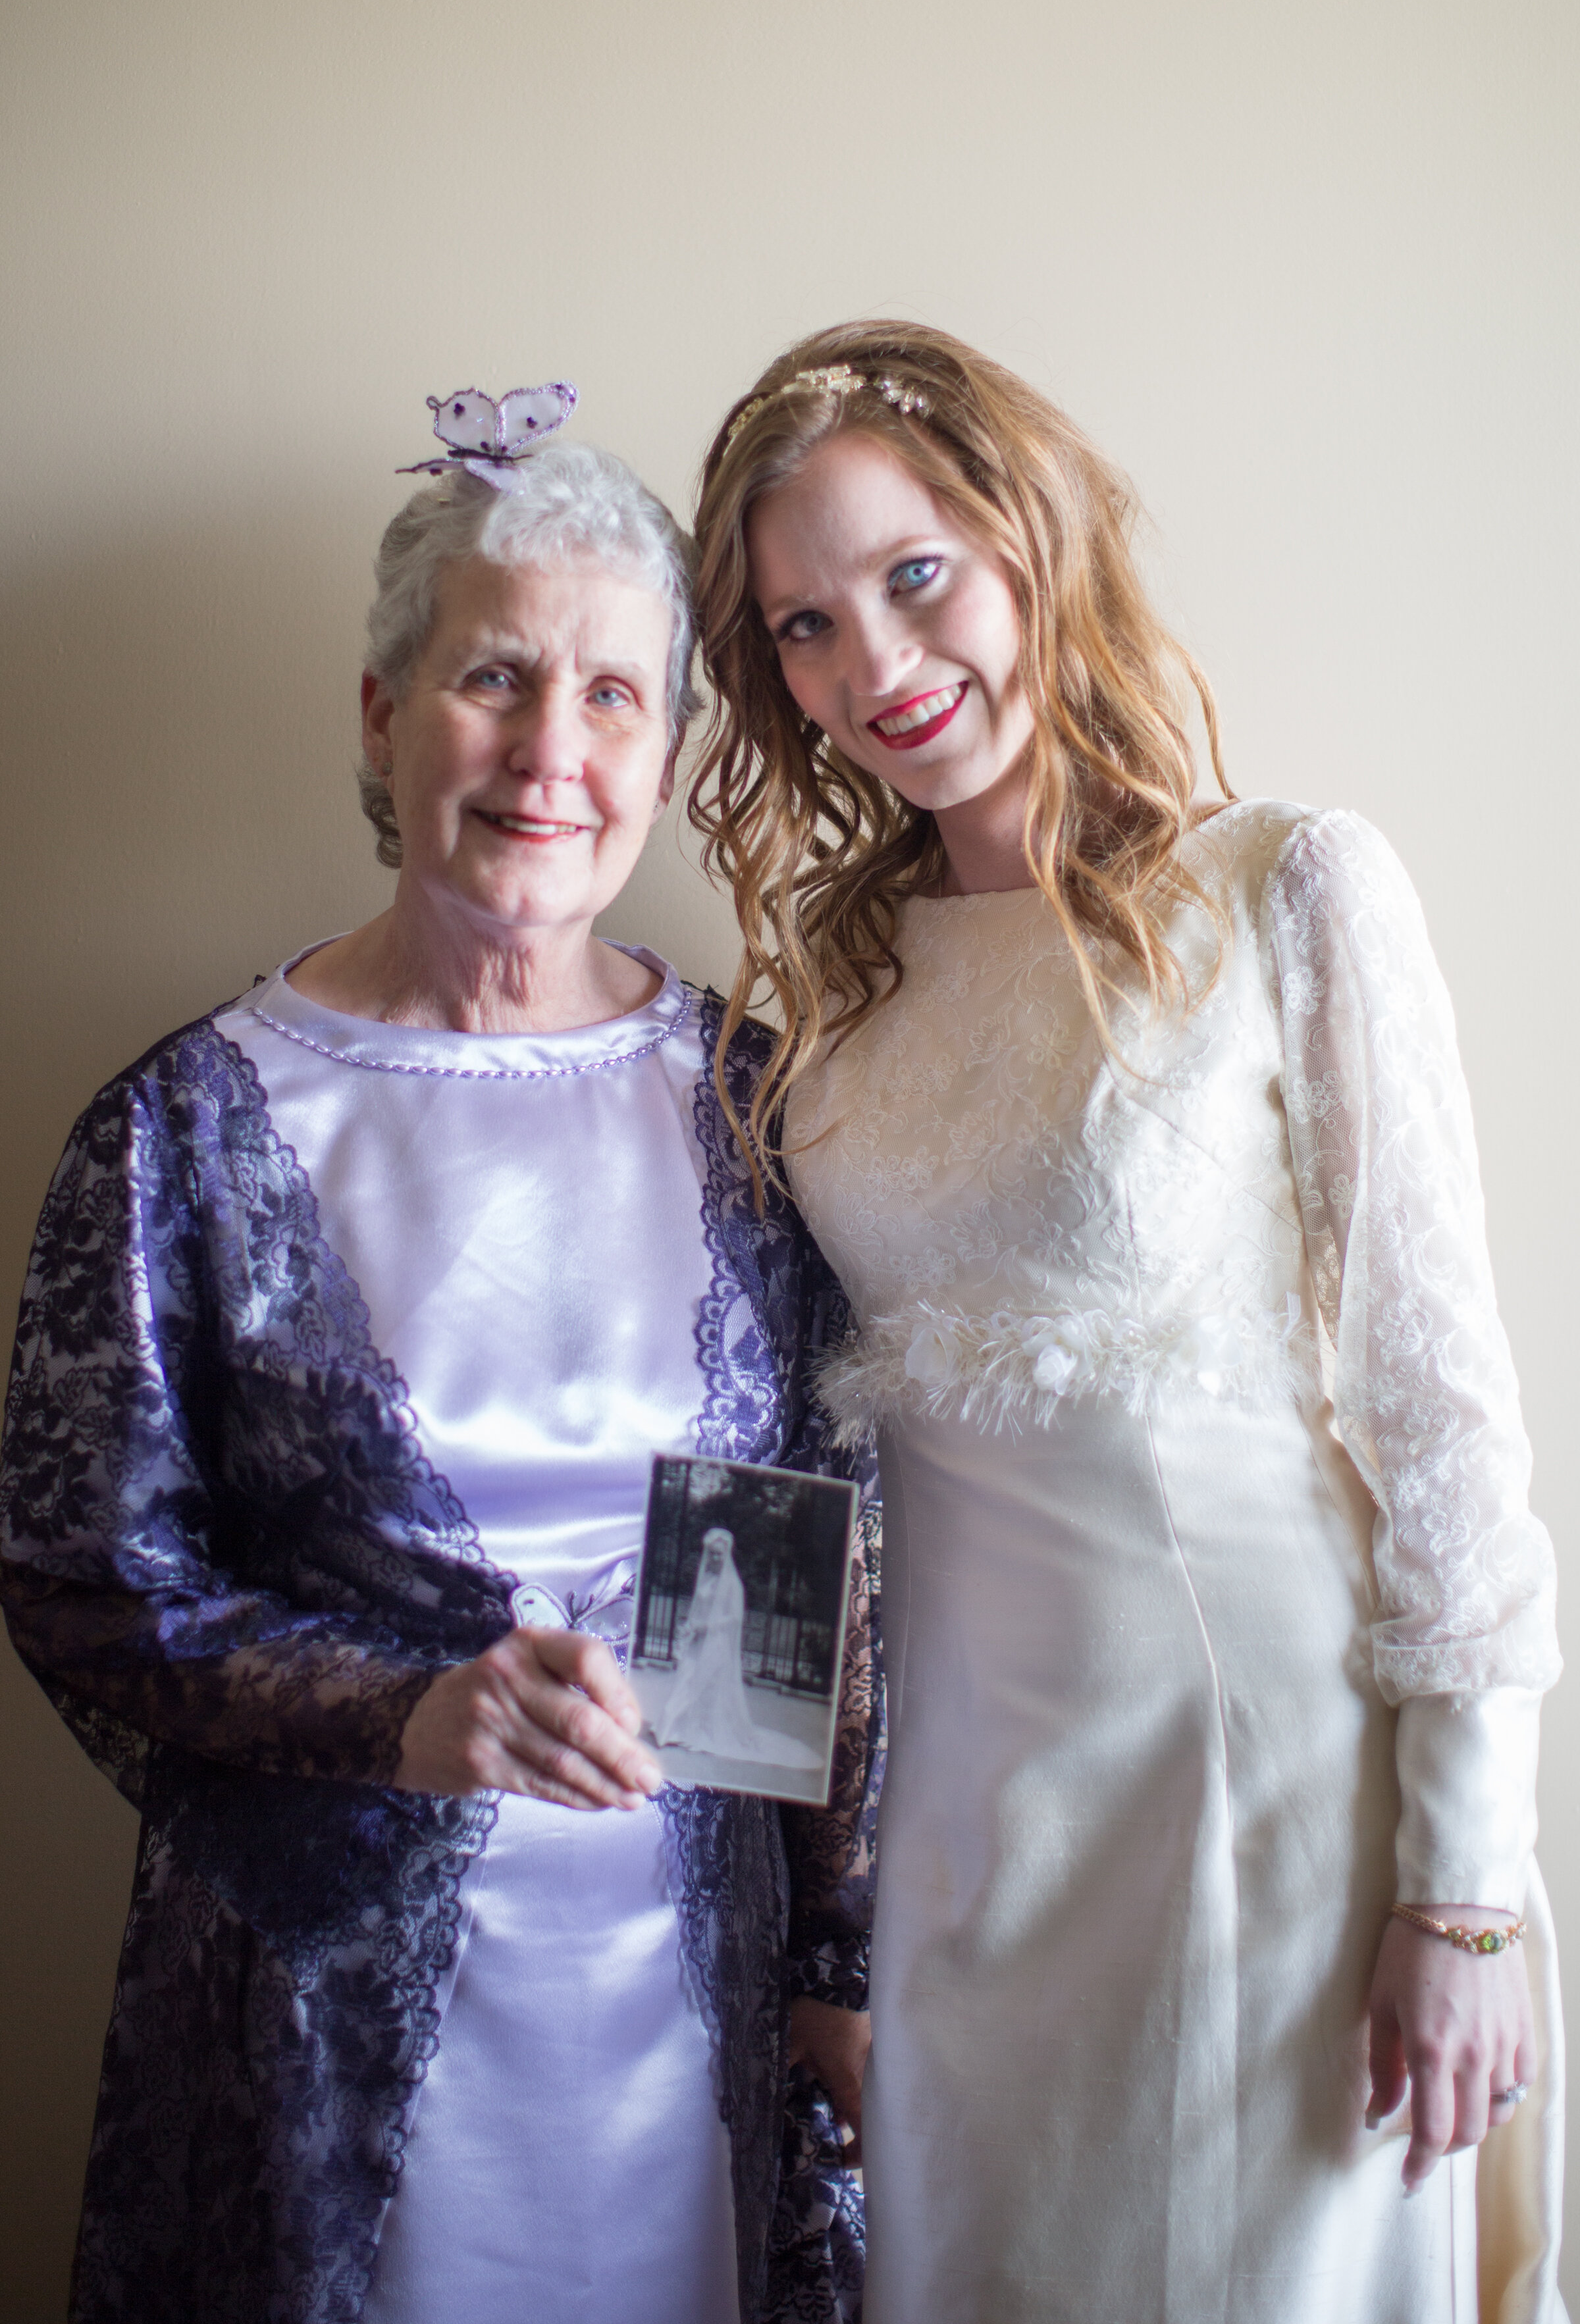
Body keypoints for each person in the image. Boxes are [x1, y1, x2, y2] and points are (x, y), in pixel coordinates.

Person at [687, 320, 1563, 2321]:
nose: (877, 669)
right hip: (966, 1822)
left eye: (913, 578)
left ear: (1029, 538)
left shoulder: (1286, 887)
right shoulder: (821, 1002)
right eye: (805, 627)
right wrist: (804, 1908)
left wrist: (1459, 1889)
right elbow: (771, 1437)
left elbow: (1443, 1416)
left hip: (1257, 1793)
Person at [0, 408, 880, 2324]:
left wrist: (832, 1961)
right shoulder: (187, 1127)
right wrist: (405, 1717)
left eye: (612, 695)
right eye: (493, 678)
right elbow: (81, 1589)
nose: (550, 753)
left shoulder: (756, 1104)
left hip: (678, 2004)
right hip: (312, 2000)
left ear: (670, 748)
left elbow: (810, 1557)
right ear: (385, 711)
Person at [650, 1527, 820, 1768]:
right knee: (687, 1679)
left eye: (719, 1554)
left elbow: (736, 1618)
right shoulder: (707, 1579)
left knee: (703, 1687)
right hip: (699, 1641)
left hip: (717, 1643)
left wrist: (707, 1626)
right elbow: (697, 1609)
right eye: (712, 1554)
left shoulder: (733, 1585)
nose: (715, 1559)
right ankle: (675, 1729)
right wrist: (690, 1627)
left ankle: (698, 1733)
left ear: (727, 1555)